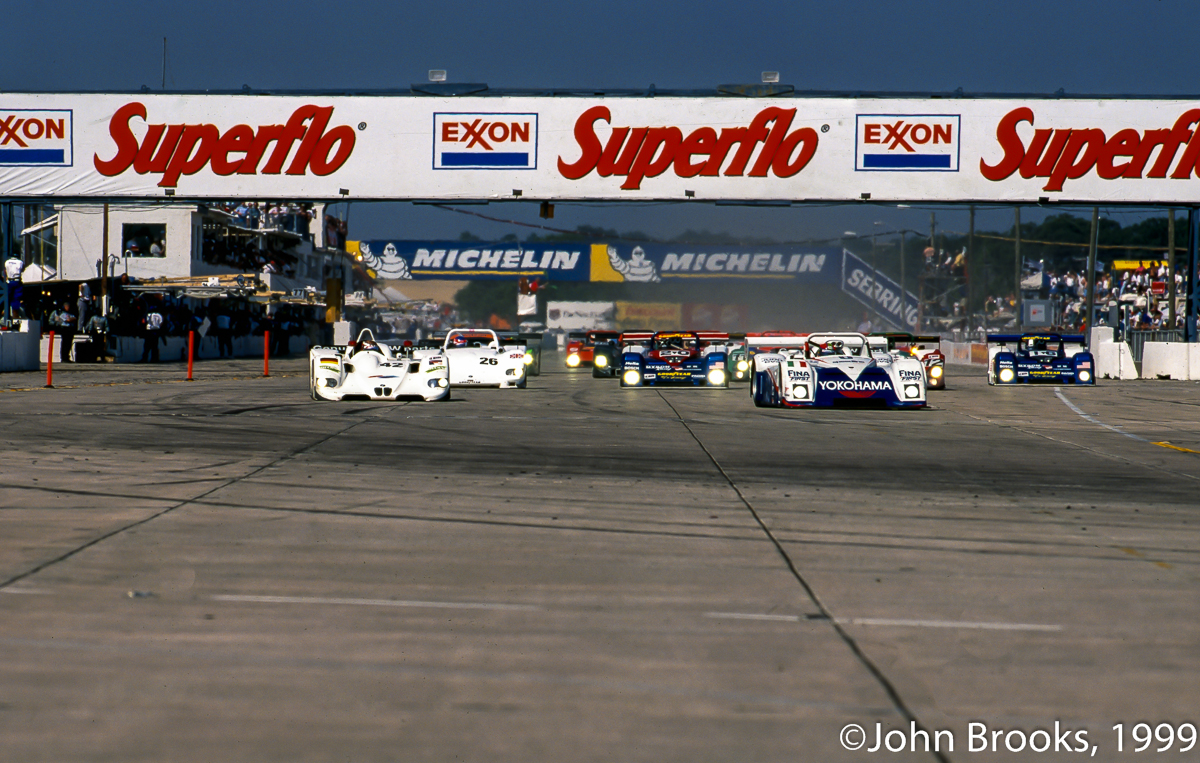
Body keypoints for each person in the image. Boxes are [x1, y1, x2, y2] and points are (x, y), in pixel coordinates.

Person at [4, 253, 24, 320]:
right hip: (17, 281)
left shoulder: (7, 262)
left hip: (9, 281)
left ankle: (5, 311)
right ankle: (15, 314)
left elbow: (5, 271)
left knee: (7, 297)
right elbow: (22, 270)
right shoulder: (20, 262)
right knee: (16, 298)